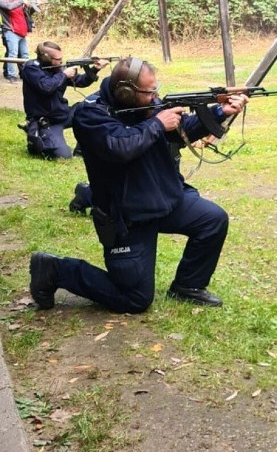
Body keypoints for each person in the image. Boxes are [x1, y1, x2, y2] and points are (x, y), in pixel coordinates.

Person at [28, 56, 248, 313]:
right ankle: (56, 270)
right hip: (127, 215)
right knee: (135, 298)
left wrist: (220, 112)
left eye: (156, 89)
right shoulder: (90, 113)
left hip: (164, 197)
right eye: (149, 92)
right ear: (125, 91)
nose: (155, 97)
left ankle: (188, 285)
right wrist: (157, 123)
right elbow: (121, 146)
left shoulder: (145, 104)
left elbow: (180, 128)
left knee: (212, 220)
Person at [20, 41, 109, 159]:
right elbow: (46, 87)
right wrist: (64, 75)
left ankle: (81, 150)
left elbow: (81, 82)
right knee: (63, 155)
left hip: (63, 113)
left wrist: (94, 69)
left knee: (92, 109)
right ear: (46, 58)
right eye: (57, 59)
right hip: (46, 120)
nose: (61, 62)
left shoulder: (57, 69)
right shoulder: (31, 68)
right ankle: (36, 135)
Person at [0, 0, 31, 82]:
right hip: (11, 31)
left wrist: (29, 6)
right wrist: (22, 1)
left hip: (22, 31)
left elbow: (26, 14)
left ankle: (26, 74)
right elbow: (9, 6)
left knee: (25, 54)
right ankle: (11, 75)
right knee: (12, 54)